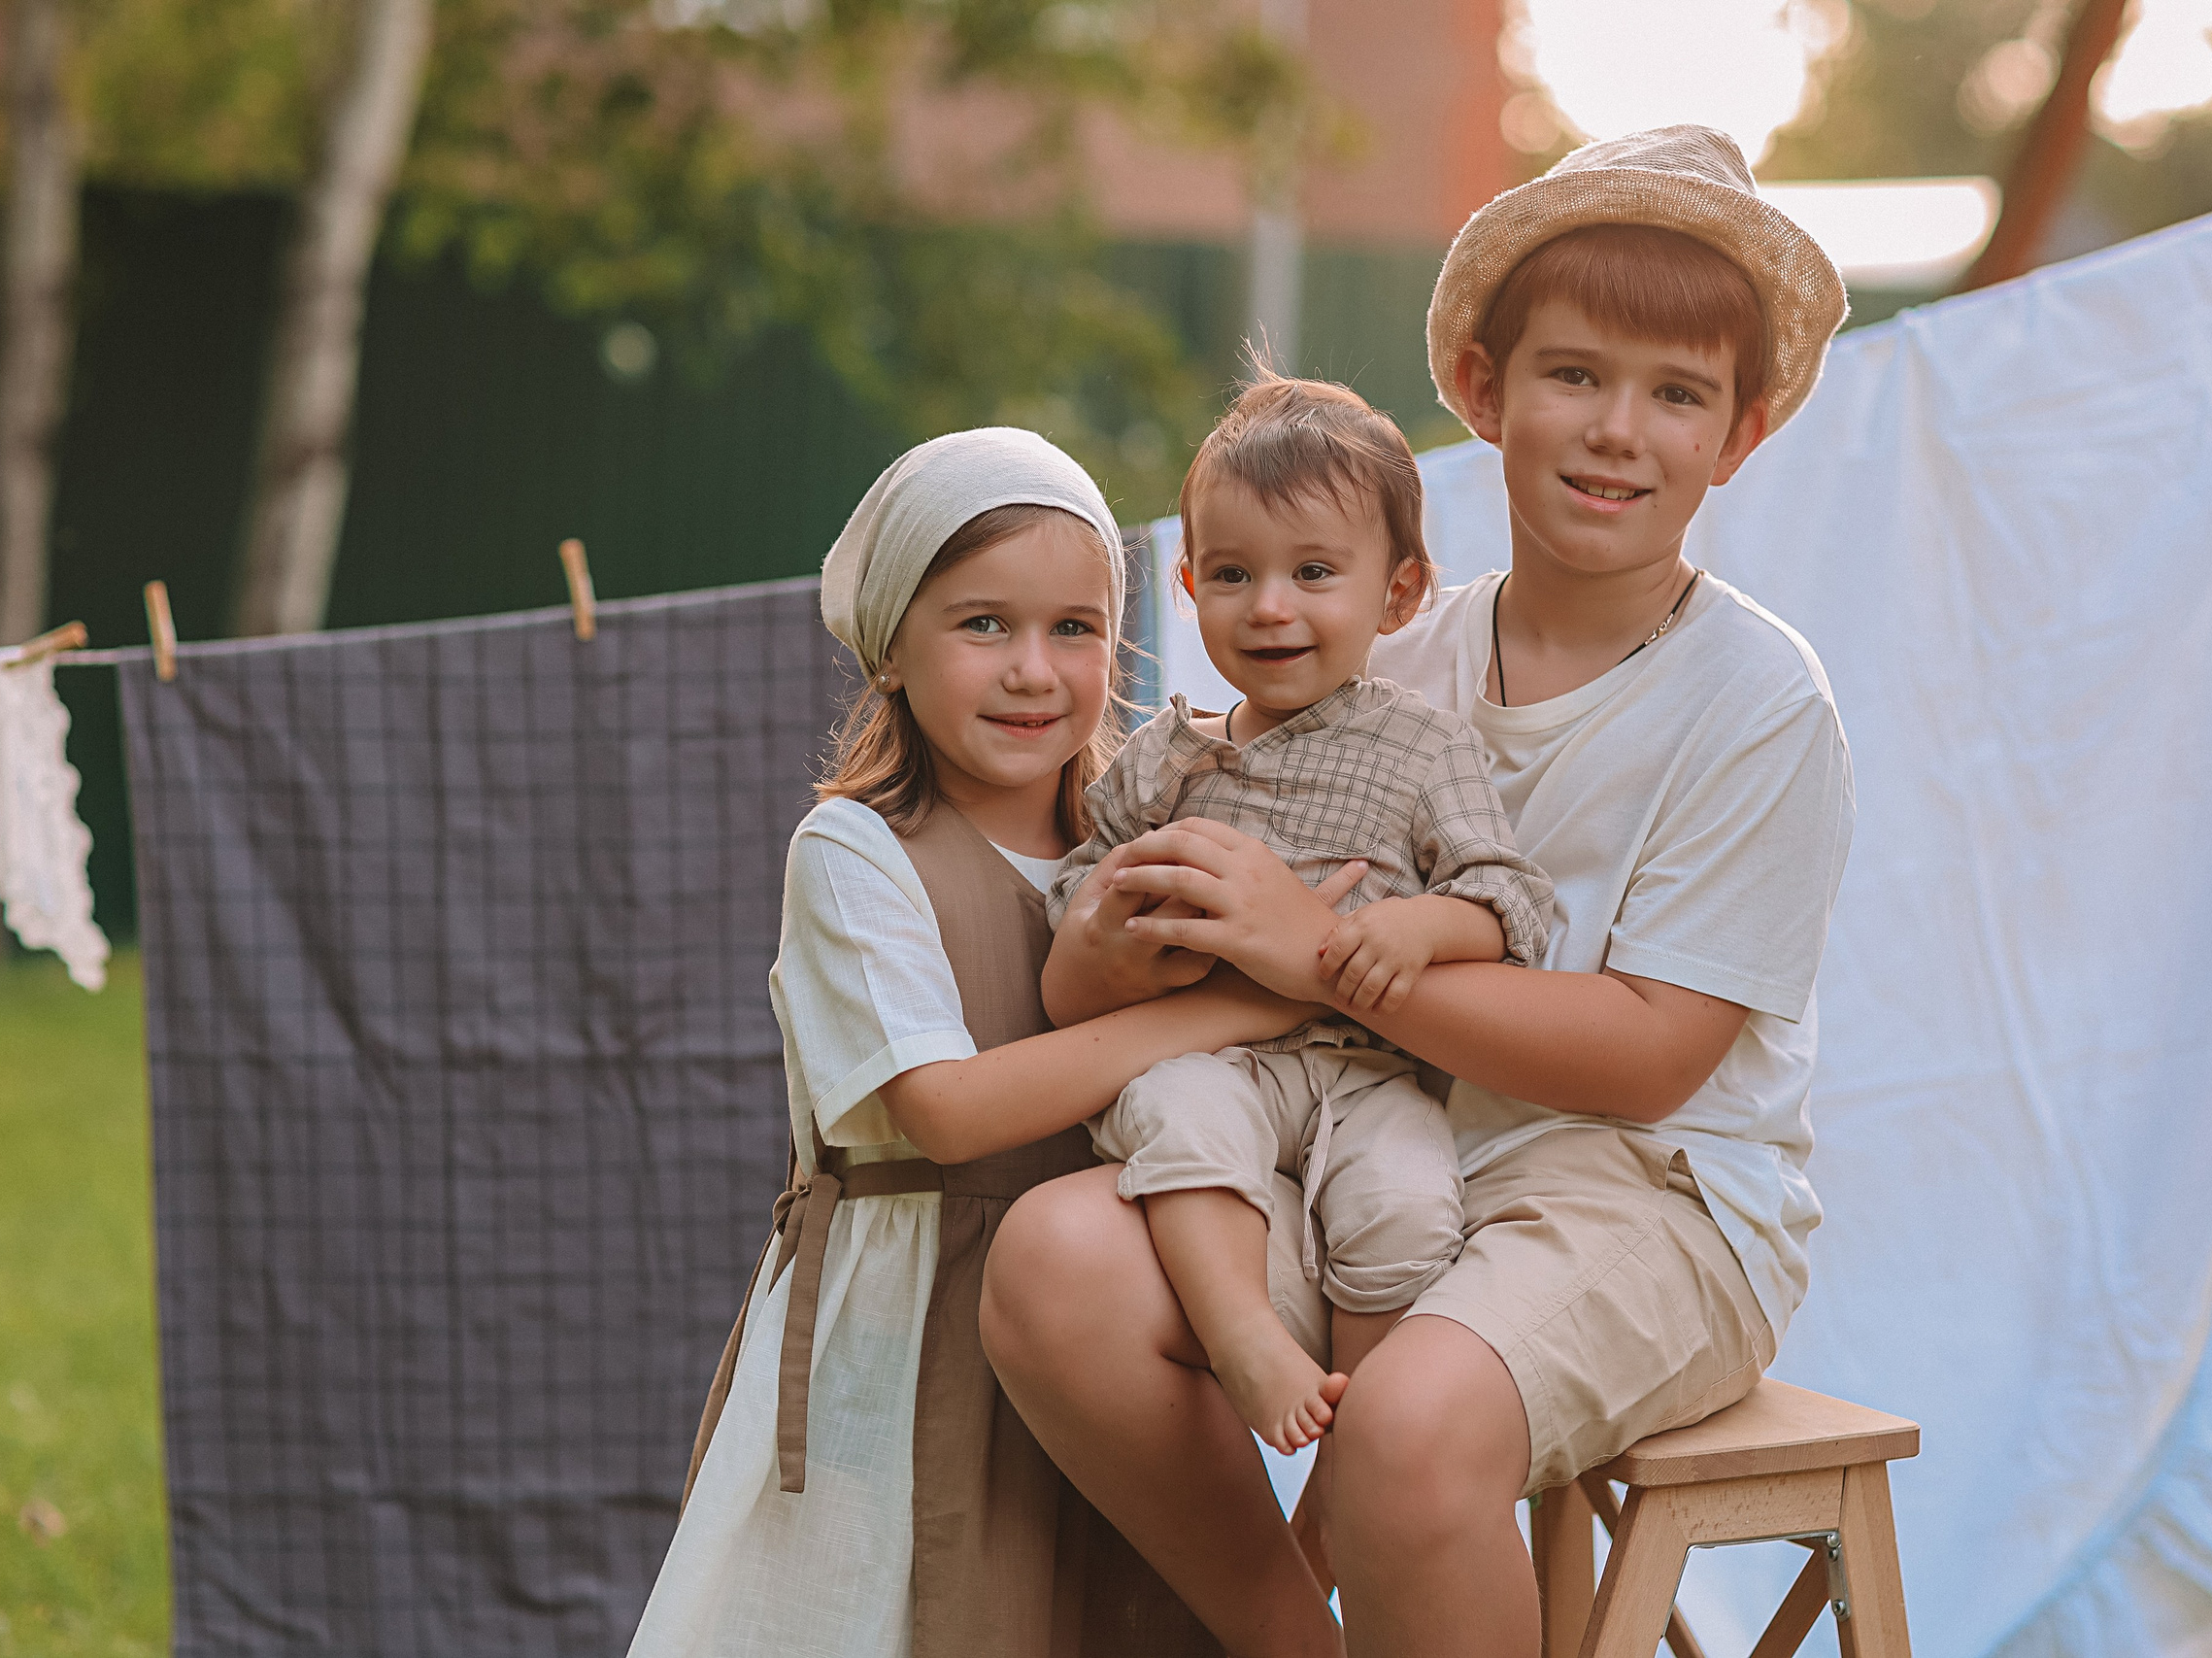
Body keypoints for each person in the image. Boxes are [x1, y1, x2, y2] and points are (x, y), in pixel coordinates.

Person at [981, 124, 1858, 1656]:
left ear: (1743, 432)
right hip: (1375, 1139)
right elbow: (1220, 921)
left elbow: (1655, 1052)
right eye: (1575, 373)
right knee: (1050, 1260)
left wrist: (1314, 946)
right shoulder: (1384, 655)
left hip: (1652, 1194)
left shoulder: (1759, 700)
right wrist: (1132, 930)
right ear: (1480, 386)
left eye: (1678, 394)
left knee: (1406, 1424)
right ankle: (1284, 1634)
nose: (1616, 430)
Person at [627, 428, 1343, 1658]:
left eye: (1072, 629)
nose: (1031, 671)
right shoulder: (857, 853)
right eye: (981, 627)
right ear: (893, 648)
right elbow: (943, 1110)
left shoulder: (1148, 834)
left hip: (1110, 1326)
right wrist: (1234, 1006)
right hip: (912, 1330)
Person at [1041, 374, 1553, 1456]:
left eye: (1313, 572)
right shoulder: (1167, 756)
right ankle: (1242, 1339)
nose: (1269, 606)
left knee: (1412, 1204)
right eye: (1232, 575)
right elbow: (1076, 892)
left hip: (1370, 1068)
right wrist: (1115, 930)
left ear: (1399, 594)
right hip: (1215, 1056)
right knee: (1181, 1122)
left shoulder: (1423, 747)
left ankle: (1356, 1450)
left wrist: (1422, 929)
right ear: (1186, 586)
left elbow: (1512, 901)